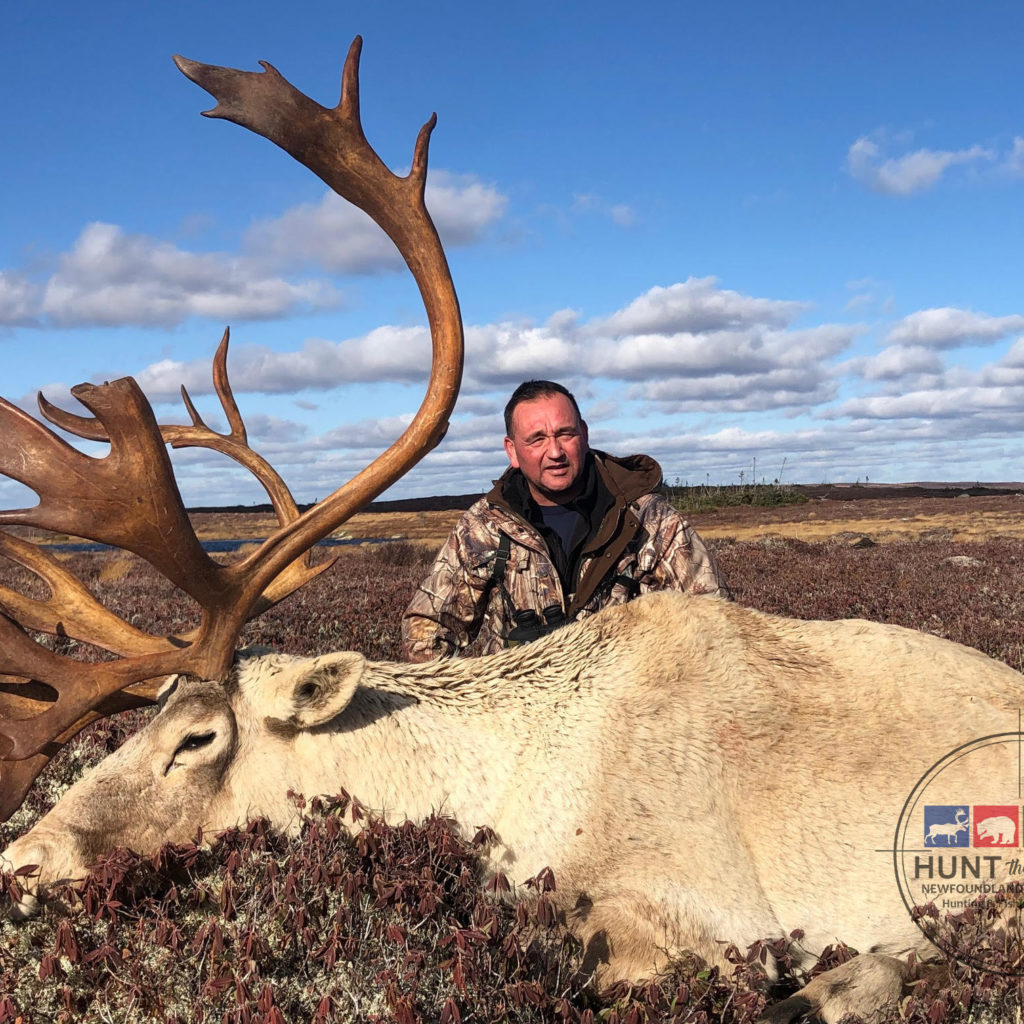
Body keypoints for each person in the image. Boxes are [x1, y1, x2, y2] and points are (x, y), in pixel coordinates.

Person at [400, 380, 729, 661]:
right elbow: (425, 631)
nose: (555, 452)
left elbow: (711, 622)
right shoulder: (484, 527)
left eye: (565, 434)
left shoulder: (649, 520)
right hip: (517, 714)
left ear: (584, 435)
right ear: (512, 451)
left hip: (629, 714)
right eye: (537, 439)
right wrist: (479, 700)